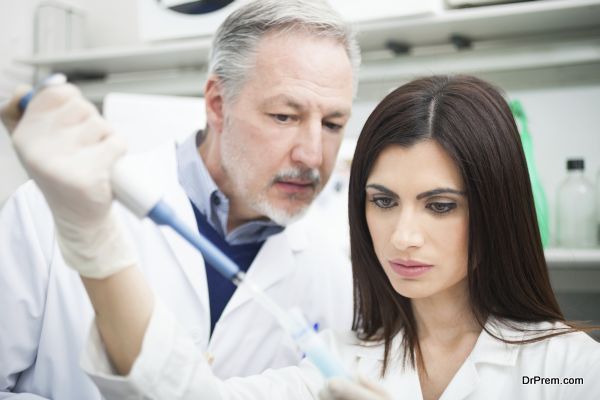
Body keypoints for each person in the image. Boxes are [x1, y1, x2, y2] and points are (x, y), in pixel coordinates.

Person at [12, 74, 600, 400]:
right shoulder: (335, 367)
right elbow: (184, 396)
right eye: (383, 201)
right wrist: (90, 233)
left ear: (496, 210)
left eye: (441, 206)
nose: (404, 236)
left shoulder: (567, 367)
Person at [0, 1, 361, 398]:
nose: (311, 155)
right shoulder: (48, 213)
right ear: (217, 104)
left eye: (332, 124)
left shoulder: (334, 278)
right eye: (284, 116)